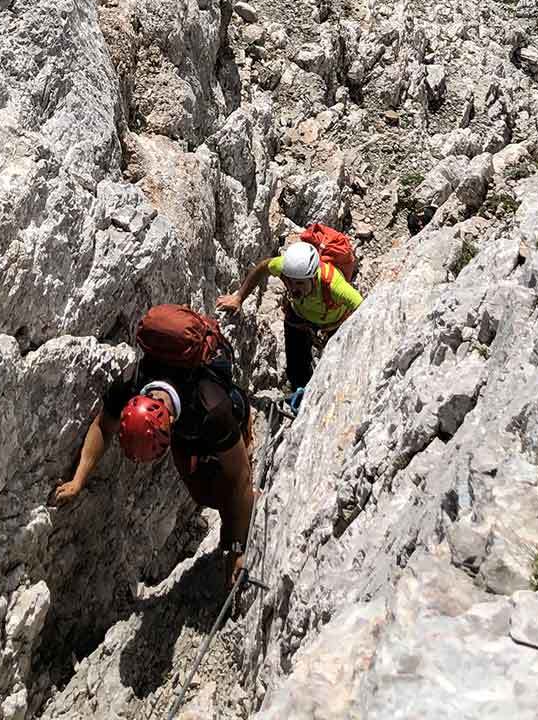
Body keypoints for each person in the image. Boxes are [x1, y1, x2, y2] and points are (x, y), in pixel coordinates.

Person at [51, 306, 255, 591]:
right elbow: (103, 425)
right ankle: (225, 511)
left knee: (229, 490)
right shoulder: (133, 381)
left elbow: (240, 476)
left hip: (221, 421)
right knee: (202, 492)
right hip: (186, 435)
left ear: (168, 421)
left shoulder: (212, 408)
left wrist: (238, 549)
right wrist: (78, 479)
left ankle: (234, 527)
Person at [216, 239, 363, 391]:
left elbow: (364, 307)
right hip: (300, 316)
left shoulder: (334, 285)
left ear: (313, 277)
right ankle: (299, 389)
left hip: (334, 323)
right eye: (289, 282)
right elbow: (262, 268)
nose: (293, 289)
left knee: (336, 366)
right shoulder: (284, 268)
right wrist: (239, 297)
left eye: (299, 283)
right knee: (296, 364)